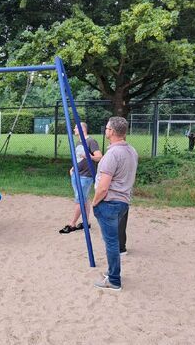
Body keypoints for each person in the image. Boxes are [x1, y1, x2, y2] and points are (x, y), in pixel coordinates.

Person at [91, 117, 138, 291]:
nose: (105, 130)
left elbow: (103, 187)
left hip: (110, 203)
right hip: (123, 202)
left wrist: (95, 203)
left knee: (111, 243)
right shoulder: (131, 151)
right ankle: (112, 272)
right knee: (113, 240)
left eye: (107, 128)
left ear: (111, 132)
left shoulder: (112, 154)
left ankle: (114, 280)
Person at [59, 122, 102, 234]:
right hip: (77, 174)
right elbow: (79, 158)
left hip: (85, 176)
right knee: (84, 199)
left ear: (82, 129)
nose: (74, 130)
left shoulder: (91, 141)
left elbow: (99, 157)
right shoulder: (79, 142)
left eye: (75, 128)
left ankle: (72, 224)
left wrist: (89, 156)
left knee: (79, 200)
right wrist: (73, 168)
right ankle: (86, 223)